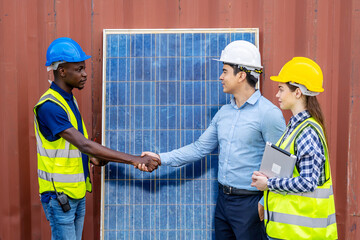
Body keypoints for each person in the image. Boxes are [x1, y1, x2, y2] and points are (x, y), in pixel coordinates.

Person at [139, 40, 286, 240]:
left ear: (241, 75)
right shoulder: (223, 113)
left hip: (251, 204)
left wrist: (264, 203)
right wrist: (159, 157)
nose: (221, 77)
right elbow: (199, 147)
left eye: (225, 71)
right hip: (224, 202)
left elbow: (281, 164)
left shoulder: (269, 114)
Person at [34, 37, 160, 240]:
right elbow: (84, 143)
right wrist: (135, 159)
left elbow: (72, 145)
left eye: (84, 68)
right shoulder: (50, 106)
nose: (85, 74)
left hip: (75, 193)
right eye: (79, 69)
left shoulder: (68, 99)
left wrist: (91, 158)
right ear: (62, 71)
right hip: (60, 197)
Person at [251, 57, 338, 239]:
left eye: (281, 89)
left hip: (302, 234)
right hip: (290, 232)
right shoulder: (295, 126)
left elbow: (308, 182)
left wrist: (269, 184)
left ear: (297, 92)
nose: (277, 95)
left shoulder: (307, 131)